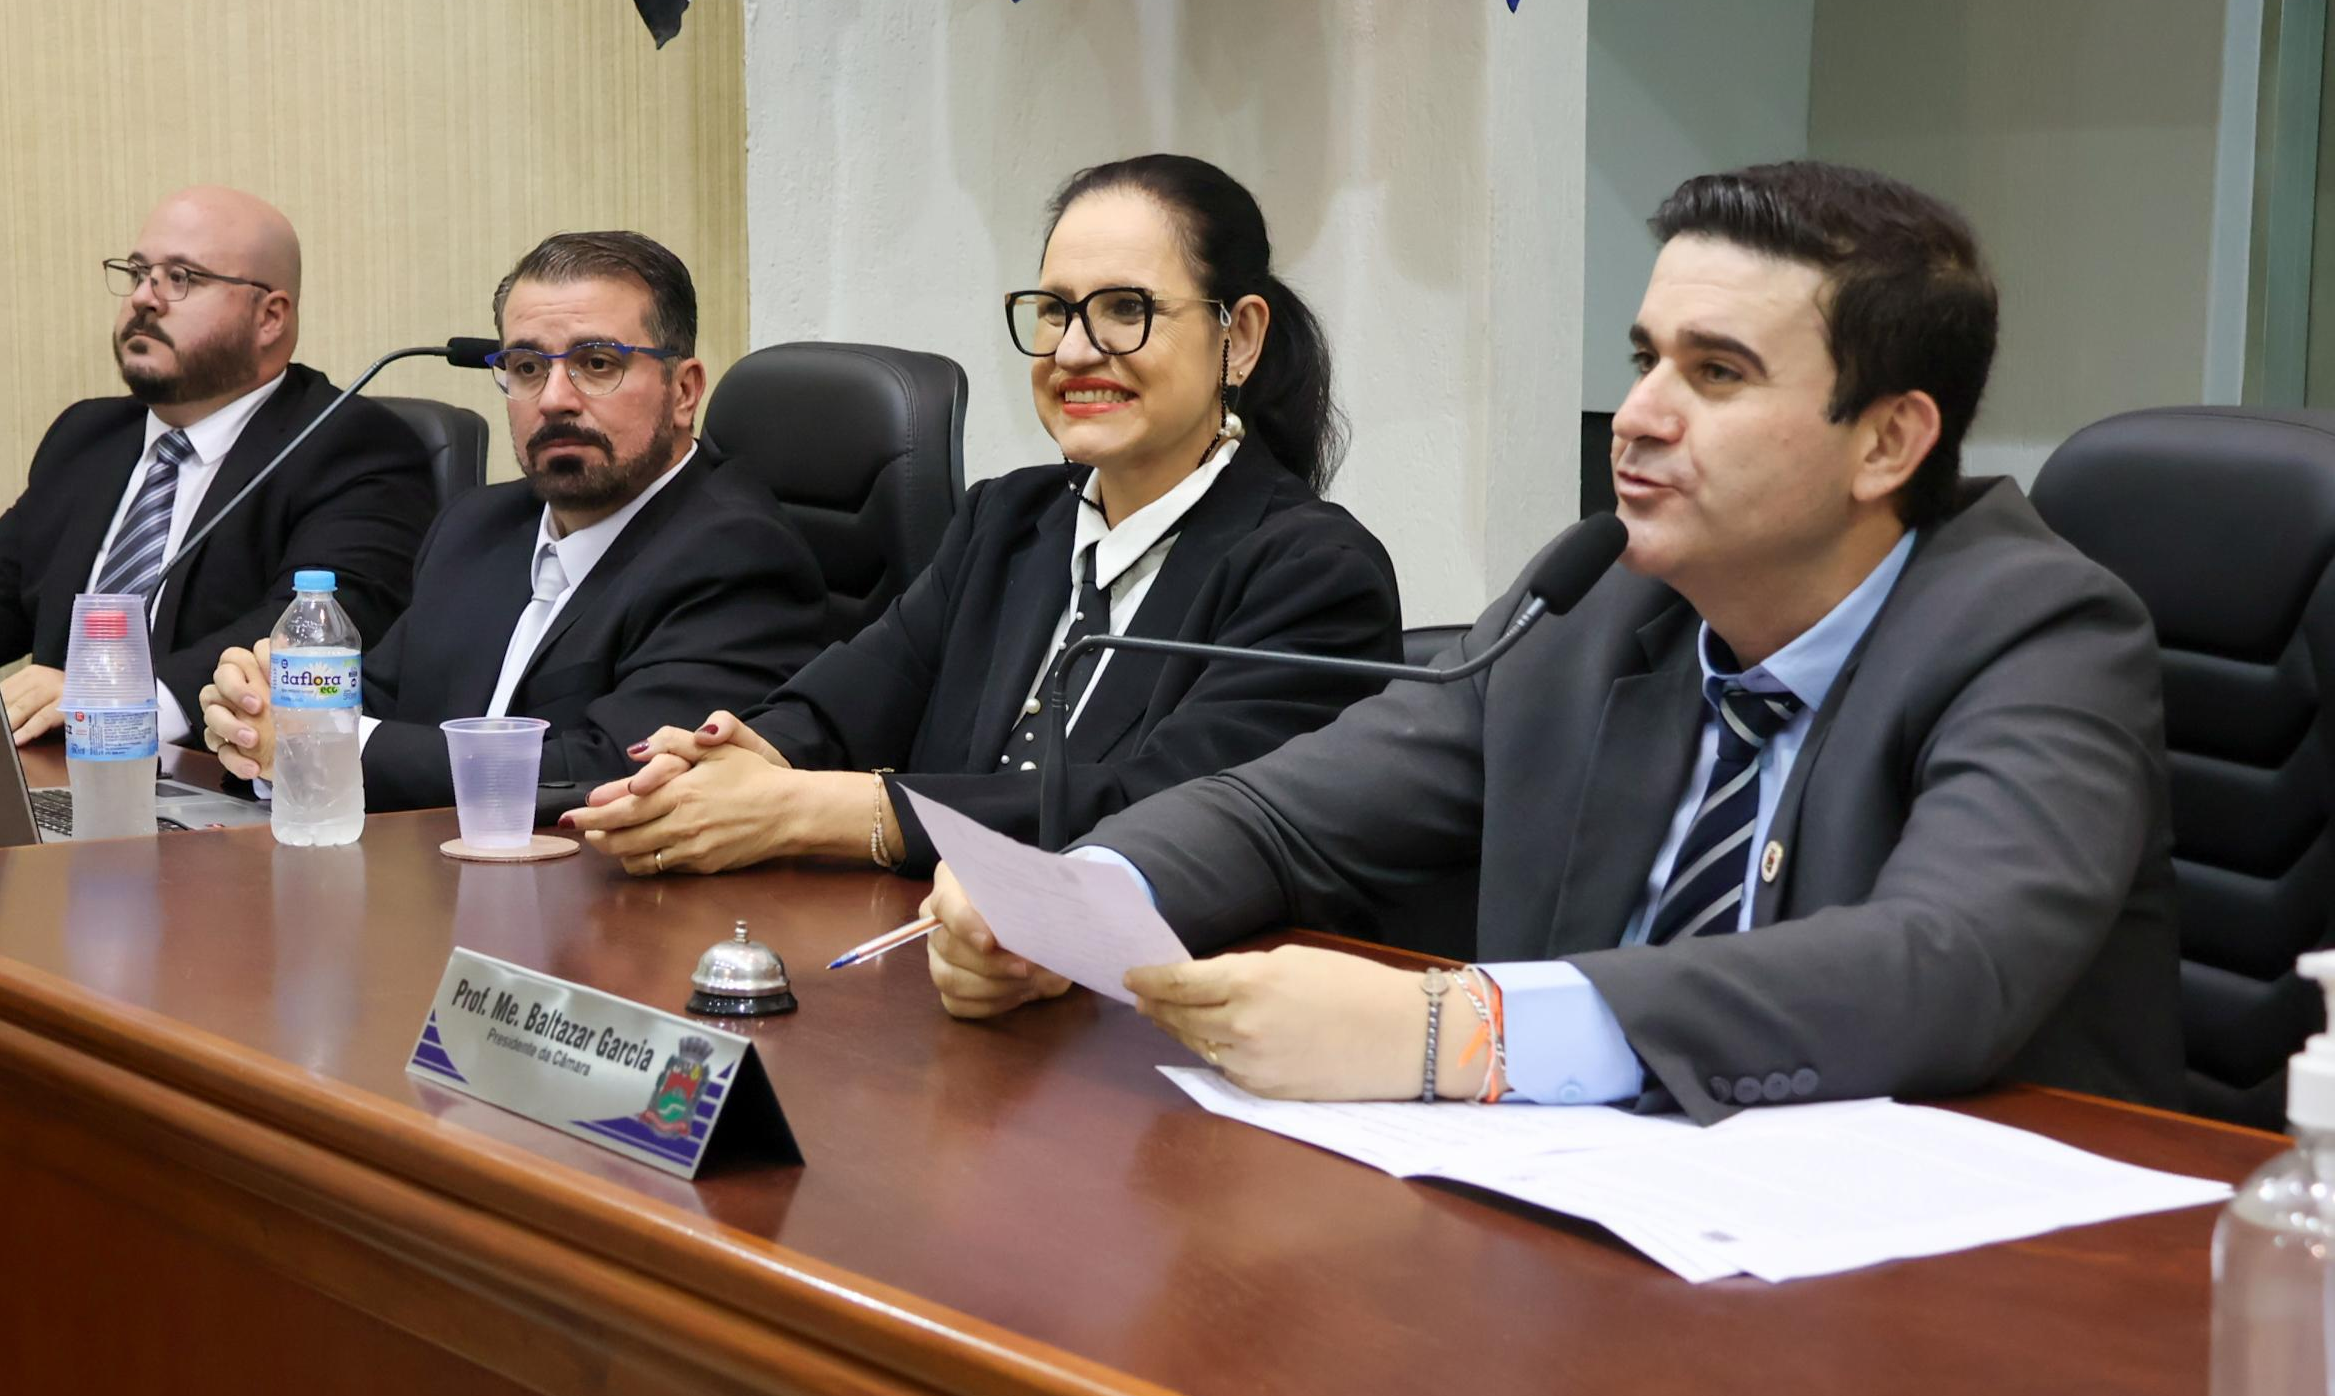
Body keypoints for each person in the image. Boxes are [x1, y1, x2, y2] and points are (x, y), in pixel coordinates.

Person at [927, 160, 2185, 1124]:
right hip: (1596, 1226)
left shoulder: (2041, 635)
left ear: (1888, 441)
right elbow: (1285, 812)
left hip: (1955, 1282)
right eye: (1644, 360)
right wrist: (1078, 907)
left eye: (1716, 374)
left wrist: (1454, 1031)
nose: (1635, 417)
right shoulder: (1598, 604)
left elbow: (1942, 963)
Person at [561, 155, 1401, 879]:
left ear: (1239, 337)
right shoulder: (1008, 519)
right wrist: (731, 757)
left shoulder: (1315, 575)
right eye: (1055, 310)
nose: (1074, 351)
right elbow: (841, 704)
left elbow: (1160, 813)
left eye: (1125, 309)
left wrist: (821, 810)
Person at [0, 186, 435, 747]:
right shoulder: (89, 437)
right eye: (139, 273)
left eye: (181, 278)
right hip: (55, 779)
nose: (145, 298)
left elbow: (311, 629)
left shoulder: (352, 446)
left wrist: (114, 698)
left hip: (220, 790)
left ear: (270, 317)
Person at [198, 231, 824, 816]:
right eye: (527, 367)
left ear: (683, 391)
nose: (553, 398)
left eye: (597, 364)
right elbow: (377, 706)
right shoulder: (477, 524)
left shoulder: (737, 555)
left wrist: (316, 744)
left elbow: (620, 773)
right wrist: (259, 717)